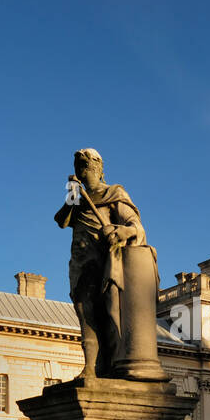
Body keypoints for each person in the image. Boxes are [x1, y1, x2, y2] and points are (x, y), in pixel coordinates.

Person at [54, 148, 150, 379]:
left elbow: (136, 227)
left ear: (97, 169)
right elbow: (62, 220)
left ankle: (113, 364)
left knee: (109, 311)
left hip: (106, 262)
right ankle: (90, 366)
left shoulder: (114, 194)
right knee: (85, 311)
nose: (81, 172)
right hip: (81, 262)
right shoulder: (77, 199)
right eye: (78, 168)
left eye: (85, 167)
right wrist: (72, 193)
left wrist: (118, 231)